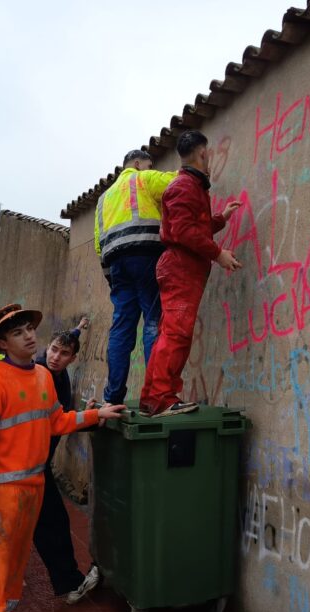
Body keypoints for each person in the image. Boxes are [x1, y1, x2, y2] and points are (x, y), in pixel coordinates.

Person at [0, 304, 124, 612]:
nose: (29, 336)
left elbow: (56, 421)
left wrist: (95, 415)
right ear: (2, 344)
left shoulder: (42, 377)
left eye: (30, 329)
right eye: (17, 332)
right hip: (0, 496)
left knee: (12, 571)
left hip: (32, 490)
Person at [139, 130, 242, 417]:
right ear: (203, 154)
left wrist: (222, 218)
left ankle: (153, 398)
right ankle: (162, 398)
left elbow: (194, 226)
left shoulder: (191, 187)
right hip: (181, 268)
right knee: (176, 335)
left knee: (171, 334)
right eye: (209, 154)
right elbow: (184, 231)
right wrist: (218, 254)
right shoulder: (184, 187)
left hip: (184, 268)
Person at [94, 149, 177, 405]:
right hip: (145, 255)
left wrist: (111, 278)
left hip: (116, 265)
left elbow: (98, 244)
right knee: (153, 321)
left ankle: (113, 397)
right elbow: (177, 181)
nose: (151, 169)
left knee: (121, 327)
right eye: (149, 165)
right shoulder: (143, 178)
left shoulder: (103, 200)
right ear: (138, 164)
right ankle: (155, 395)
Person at [31, 320, 101, 603]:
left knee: (49, 524)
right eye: (53, 350)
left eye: (63, 353)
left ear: (73, 358)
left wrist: (79, 328)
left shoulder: (58, 374)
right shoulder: (38, 375)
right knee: (52, 524)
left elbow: (61, 420)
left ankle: (69, 582)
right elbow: (55, 423)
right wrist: (91, 417)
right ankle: (70, 583)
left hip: (38, 464)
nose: (55, 357)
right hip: (29, 467)